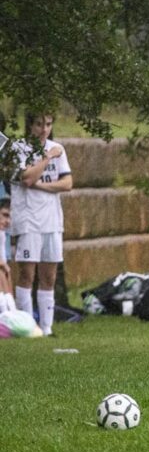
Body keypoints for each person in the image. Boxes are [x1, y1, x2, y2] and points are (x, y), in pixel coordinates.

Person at [11, 112, 74, 336]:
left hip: (52, 220)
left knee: (49, 276)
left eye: (48, 124)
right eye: (39, 124)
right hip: (28, 220)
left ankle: (47, 328)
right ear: (30, 125)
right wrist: (47, 157)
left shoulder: (58, 148)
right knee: (27, 274)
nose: (44, 129)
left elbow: (67, 183)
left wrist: (40, 186)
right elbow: (26, 178)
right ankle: (28, 327)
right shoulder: (18, 148)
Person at [0, 199, 15, 313]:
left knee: (4, 272)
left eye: (10, 218)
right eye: (5, 215)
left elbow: (6, 271)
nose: (8, 221)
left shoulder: (2, 234)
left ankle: (10, 311)